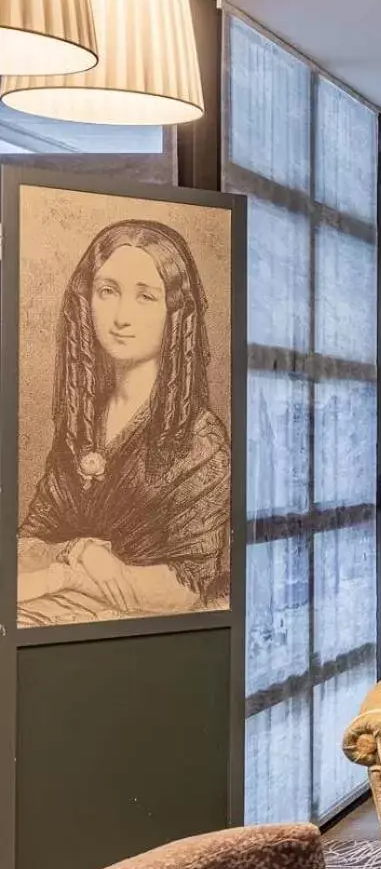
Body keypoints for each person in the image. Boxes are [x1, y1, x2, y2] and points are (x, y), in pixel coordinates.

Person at [16, 219, 230, 627]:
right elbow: (28, 542)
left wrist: (71, 574)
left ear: (175, 312)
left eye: (145, 296)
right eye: (107, 291)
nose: (120, 316)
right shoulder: (82, 422)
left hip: (148, 641)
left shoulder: (201, 442)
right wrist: (76, 552)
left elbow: (187, 587)